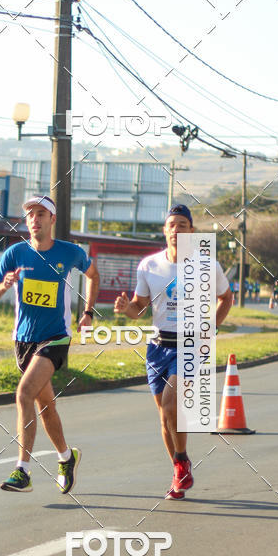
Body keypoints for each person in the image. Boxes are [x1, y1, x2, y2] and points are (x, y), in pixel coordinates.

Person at [114, 204, 233, 501]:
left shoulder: (208, 266)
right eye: (172, 224)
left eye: (183, 224)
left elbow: (226, 298)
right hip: (157, 347)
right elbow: (139, 308)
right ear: (165, 231)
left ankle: (182, 460)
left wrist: (211, 328)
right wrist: (126, 309)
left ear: (191, 231)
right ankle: (180, 469)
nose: (177, 229)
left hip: (190, 345)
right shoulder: (149, 266)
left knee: (171, 402)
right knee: (164, 416)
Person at [0, 194, 100, 494]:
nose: (34, 219)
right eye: (30, 214)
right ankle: (66, 457)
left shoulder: (69, 252)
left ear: (51, 220)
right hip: (23, 341)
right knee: (45, 406)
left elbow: (93, 274)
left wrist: (87, 312)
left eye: (40, 214)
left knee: (23, 393)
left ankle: (22, 471)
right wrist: (3, 285)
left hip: (56, 337)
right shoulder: (15, 254)